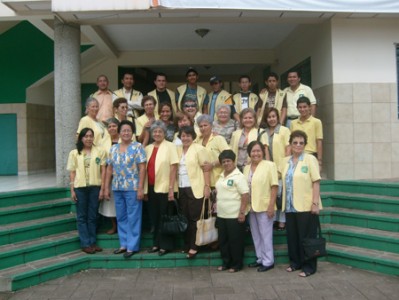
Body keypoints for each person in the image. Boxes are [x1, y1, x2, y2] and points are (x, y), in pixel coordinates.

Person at [280, 130, 322, 277]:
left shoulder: (310, 159)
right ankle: (295, 263)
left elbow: (316, 182)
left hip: (306, 206)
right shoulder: (285, 161)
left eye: (301, 143)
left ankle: (309, 267)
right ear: (290, 144)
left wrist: (315, 203)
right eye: (295, 142)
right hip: (290, 206)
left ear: (305, 144)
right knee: (292, 237)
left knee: (307, 238)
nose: (298, 145)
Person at [104, 120, 146, 258]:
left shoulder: (138, 147)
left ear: (132, 132)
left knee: (133, 216)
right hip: (117, 187)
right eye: (123, 130)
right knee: (121, 216)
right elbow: (109, 169)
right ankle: (123, 244)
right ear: (119, 132)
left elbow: (142, 168)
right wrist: (106, 188)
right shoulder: (113, 148)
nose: (126, 133)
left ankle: (132, 246)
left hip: (133, 187)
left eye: (128, 130)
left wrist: (140, 188)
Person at [67, 128, 107, 254]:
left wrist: (103, 188)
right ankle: (85, 243)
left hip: (95, 187)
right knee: (82, 216)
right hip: (80, 188)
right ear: (81, 138)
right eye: (86, 136)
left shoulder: (100, 152)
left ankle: (92, 242)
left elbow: (104, 171)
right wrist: (72, 189)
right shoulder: (74, 153)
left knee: (93, 216)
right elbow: (72, 172)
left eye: (91, 136)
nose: (89, 138)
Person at [145, 121, 179, 256]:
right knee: (154, 217)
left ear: (164, 133)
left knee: (165, 217)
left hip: (165, 188)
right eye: (155, 131)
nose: (157, 134)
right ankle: (156, 244)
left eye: (160, 131)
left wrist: (171, 188)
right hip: (151, 187)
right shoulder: (148, 148)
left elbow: (173, 168)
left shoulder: (170, 146)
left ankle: (165, 245)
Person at [244, 141, 278, 272]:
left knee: (266, 234)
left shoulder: (270, 165)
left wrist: (271, 206)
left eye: (258, 151)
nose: (256, 153)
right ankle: (260, 258)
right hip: (251, 206)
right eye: (253, 151)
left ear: (263, 152)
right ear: (249, 153)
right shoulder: (246, 168)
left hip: (265, 206)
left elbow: (274, 186)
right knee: (256, 234)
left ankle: (268, 261)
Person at [177, 126, 211, 258]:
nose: (185, 138)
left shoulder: (199, 149)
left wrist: (207, 186)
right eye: (183, 136)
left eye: (188, 135)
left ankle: (194, 246)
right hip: (181, 188)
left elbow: (206, 169)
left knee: (195, 218)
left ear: (193, 136)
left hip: (196, 188)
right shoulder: (178, 149)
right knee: (184, 217)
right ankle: (187, 244)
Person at [215, 150, 249, 273]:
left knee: (235, 241)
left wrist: (242, 212)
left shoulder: (239, 177)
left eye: (228, 161)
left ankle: (236, 264)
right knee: (223, 241)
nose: (226, 163)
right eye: (223, 161)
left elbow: (245, 195)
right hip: (222, 214)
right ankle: (226, 263)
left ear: (233, 162)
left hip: (235, 215)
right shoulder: (221, 175)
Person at [259, 108, 291, 230]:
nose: (271, 119)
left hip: (282, 168)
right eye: (269, 117)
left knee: (282, 195)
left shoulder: (284, 130)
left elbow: (288, 149)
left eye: (274, 116)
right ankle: (272, 220)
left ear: (278, 117)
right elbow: (264, 150)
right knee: (272, 195)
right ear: (266, 119)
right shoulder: (263, 132)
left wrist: (285, 166)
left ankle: (282, 221)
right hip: (269, 169)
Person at [196, 114, 230, 188]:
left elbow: (228, 155)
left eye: (205, 125)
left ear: (211, 126)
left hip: (219, 180)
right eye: (201, 126)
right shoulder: (198, 141)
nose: (203, 128)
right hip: (202, 182)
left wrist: (212, 164)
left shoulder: (218, 138)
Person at [99, 118, 120, 234]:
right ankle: (114, 225)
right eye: (110, 127)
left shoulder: (125, 138)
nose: (112, 128)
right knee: (110, 203)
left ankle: (122, 227)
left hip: (123, 176)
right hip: (109, 176)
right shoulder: (104, 141)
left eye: (114, 126)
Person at [290, 97, 323, 171]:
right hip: (296, 156)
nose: (302, 109)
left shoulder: (316, 122)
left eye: (305, 107)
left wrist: (319, 161)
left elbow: (319, 141)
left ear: (310, 107)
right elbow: (291, 143)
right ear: (297, 108)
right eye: (300, 107)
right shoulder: (293, 123)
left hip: (311, 155)